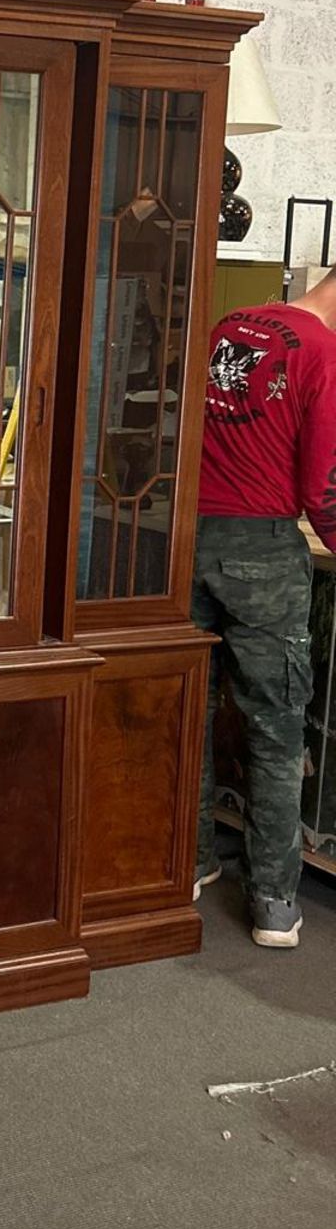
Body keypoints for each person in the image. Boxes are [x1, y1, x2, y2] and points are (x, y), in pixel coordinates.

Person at [192, 276, 336, 948]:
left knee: (189, 704)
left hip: (182, 540)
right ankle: (274, 900)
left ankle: (189, 861)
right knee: (275, 725)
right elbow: (324, 484)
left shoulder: (231, 322)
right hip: (262, 548)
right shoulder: (323, 352)